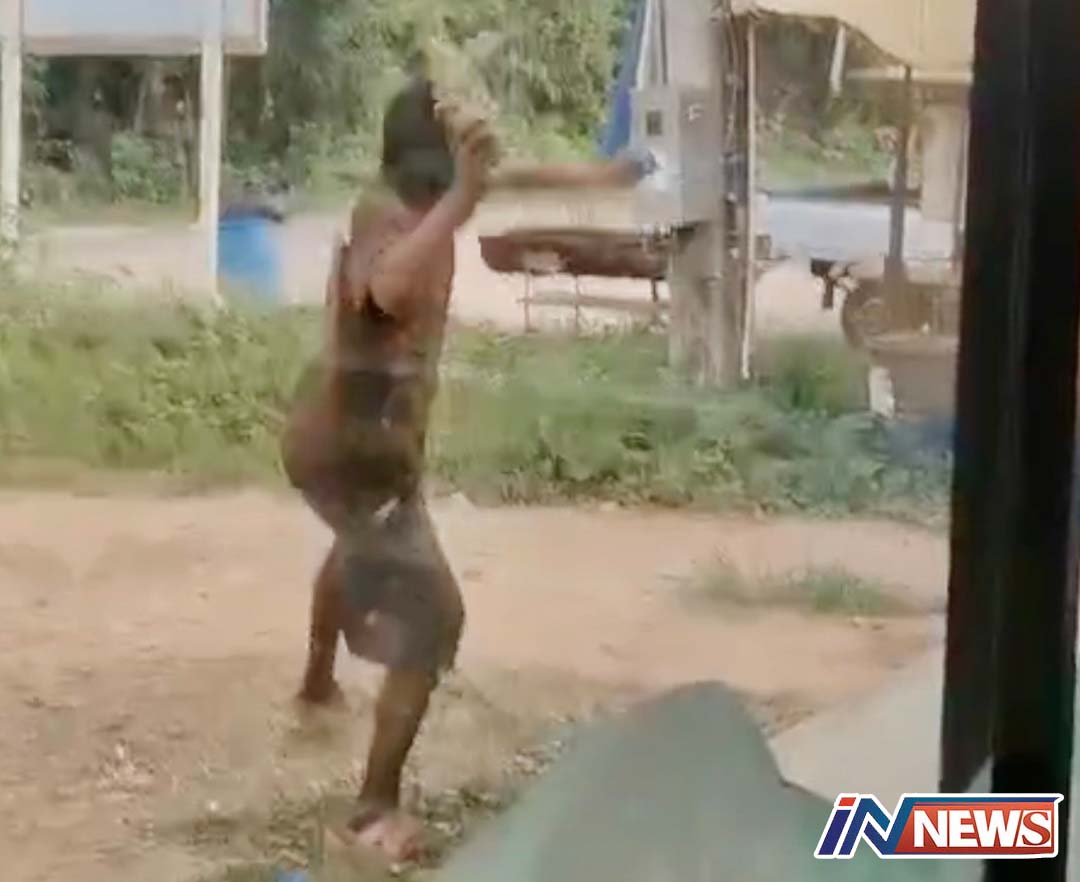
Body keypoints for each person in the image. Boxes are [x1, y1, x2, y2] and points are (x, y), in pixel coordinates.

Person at [281, 76, 647, 862]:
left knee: (359, 544)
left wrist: (598, 177)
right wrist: (463, 199)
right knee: (434, 618)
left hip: (348, 449)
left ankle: (316, 685)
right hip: (356, 455)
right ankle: (372, 813)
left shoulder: (420, 193)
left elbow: (507, 179)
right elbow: (384, 289)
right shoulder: (386, 213)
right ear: (431, 159)